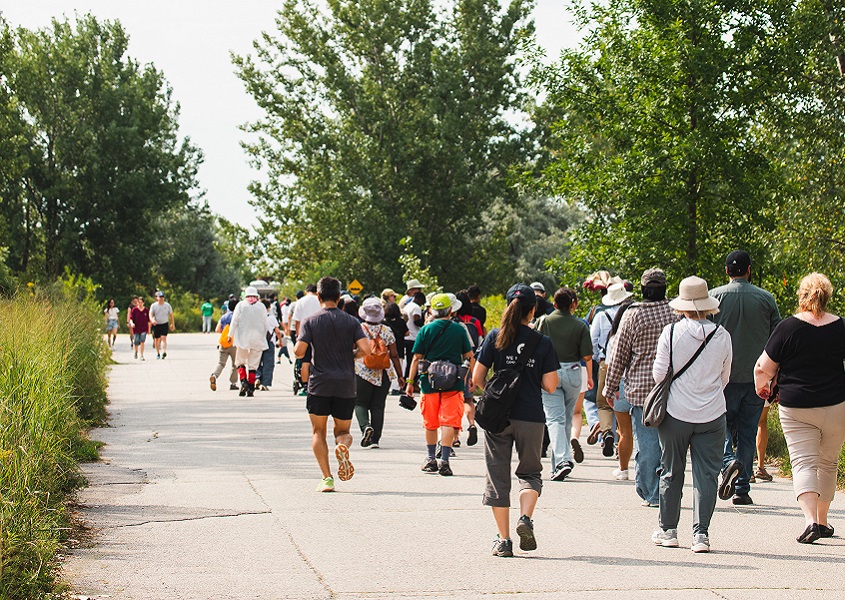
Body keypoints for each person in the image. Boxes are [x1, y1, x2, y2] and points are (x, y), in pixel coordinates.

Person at [754, 273, 845, 544]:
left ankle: (809, 522)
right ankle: (823, 520)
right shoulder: (841, 327)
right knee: (828, 463)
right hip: (836, 405)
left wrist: (764, 389)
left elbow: (763, 367)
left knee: (803, 462)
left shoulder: (787, 328)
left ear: (801, 296)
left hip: (796, 406)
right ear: (827, 297)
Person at [473, 284, 560, 557]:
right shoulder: (543, 342)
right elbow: (550, 385)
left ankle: (504, 540)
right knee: (530, 473)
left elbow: (477, 379)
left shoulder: (495, 337)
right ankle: (525, 518)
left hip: (499, 417)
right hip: (531, 416)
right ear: (533, 310)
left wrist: (496, 393)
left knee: (498, 477)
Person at [650, 276, 732, 553]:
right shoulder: (722, 335)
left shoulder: (671, 333)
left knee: (671, 471)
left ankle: (668, 530)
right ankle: (701, 535)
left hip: (675, 413)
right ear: (708, 305)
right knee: (706, 475)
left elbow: (659, 374)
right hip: (712, 414)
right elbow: (725, 377)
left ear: (682, 305)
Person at [709, 250, 781, 505]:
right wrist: (776, 379)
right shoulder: (766, 299)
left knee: (721, 427)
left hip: (723, 377)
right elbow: (777, 340)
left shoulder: (714, 298)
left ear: (727, 271)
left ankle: (729, 462)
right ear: (749, 270)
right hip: (756, 379)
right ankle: (742, 488)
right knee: (749, 431)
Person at [604, 268, 679, 508]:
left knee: (647, 444)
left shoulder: (633, 315)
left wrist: (610, 387)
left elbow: (619, 355)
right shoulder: (676, 313)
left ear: (644, 289)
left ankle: (651, 492)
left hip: (641, 391)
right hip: (673, 389)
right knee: (669, 444)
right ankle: (668, 489)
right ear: (665, 289)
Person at [295, 276, 370, 492]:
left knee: (318, 431)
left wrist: (295, 350)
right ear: (339, 297)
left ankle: (327, 478)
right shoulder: (351, 321)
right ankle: (342, 446)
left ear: (318, 296)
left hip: (319, 384)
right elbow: (366, 350)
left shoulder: (311, 321)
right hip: (345, 384)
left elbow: (300, 351)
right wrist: (351, 356)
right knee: (343, 431)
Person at [405, 293, 473, 476]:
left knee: (431, 422)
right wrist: (470, 379)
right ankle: (444, 459)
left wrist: (410, 383)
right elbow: (469, 356)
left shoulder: (426, 330)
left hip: (429, 382)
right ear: (451, 310)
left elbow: (416, 358)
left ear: (432, 310)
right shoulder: (459, 330)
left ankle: (430, 458)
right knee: (449, 421)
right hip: (454, 382)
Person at [536, 287, 593, 481]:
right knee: (568, 418)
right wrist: (590, 377)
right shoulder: (580, 325)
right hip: (573, 373)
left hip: (549, 372)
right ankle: (559, 464)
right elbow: (587, 355)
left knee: (554, 419)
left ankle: (561, 461)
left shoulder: (544, 321)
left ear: (554, 304)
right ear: (574, 304)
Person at [591, 283, 633, 459]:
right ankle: (621, 440)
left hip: (606, 362)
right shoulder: (631, 313)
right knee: (624, 403)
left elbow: (592, 340)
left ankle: (607, 431)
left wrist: (597, 358)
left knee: (604, 403)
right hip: (629, 366)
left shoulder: (601, 316)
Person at [355, 298, 405, 448]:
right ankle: (375, 439)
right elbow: (395, 355)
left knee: (360, 403)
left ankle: (365, 427)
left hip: (362, 372)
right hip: (384, 373)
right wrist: (400, 375)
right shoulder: (387, 330)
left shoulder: (359, 329)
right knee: (378, 406)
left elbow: (352, 350)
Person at [228, 286, 268, 397]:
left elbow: (234, 321)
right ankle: (250, 388)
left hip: (242, 338)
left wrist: (230, 335)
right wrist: (263, 336)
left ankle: (243, 381)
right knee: (253, 365)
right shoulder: (261, 306)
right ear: (257, 296)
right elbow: (266, 323)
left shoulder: (240, 305)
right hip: (258, 339)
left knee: (240, 361)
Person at [210, 299, 239, 391]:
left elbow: (217, 329)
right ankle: (233, 383)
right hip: (234, 343)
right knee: (235, 364)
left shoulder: (224, 317)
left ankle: (214, 375)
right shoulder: (236, 316)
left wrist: (224, 333)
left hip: (223, 343)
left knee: (221, 363)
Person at [256, 298, 283, 391]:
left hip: (258, 342)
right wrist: (280, 341)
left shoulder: (257, 317)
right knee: (268, 363)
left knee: (257, 362)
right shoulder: (271, 318)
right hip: (269, 343)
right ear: (268, 307)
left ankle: (257, 378)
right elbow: (277, 331)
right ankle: (265, 383)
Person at [402, 291, 426, 380]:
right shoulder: (416, 307)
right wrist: (425, 322)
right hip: (413, 337)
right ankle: (410, 380)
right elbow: (416, 320)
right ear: (419, 299)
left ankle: (405, 380)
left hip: (406, 336)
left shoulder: (407, 306)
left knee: (407, 361)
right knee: (412, 361)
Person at [149, 291, 175, 359]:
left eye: (162, 297)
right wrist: (152, 320)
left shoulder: (167, 305)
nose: (161, 298)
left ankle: (164, 351)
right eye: (160, 297)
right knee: (157, 339)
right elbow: (150, 314)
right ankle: (158, 353)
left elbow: (171, 315)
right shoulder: (154, 305)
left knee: (164, 338)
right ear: (157, 298)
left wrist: (172, 324)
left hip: (164, 323)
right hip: (156, 324)